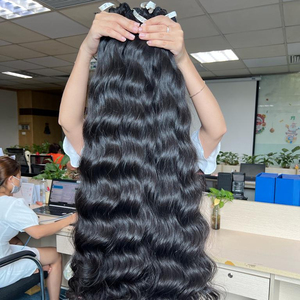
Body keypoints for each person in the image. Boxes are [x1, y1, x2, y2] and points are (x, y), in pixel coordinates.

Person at [59, 2, 226, 299]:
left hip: (109, 282)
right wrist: (183, 60)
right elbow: (216, 129)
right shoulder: (180, 153)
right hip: (170, 281)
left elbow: (68, 121)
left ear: (108, 87)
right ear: (168, 86)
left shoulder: (99, 151)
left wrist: (86, 52)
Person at [0, 156, 77, 300]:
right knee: (55, 255)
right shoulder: (11, 204)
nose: (19, 181)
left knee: (19, 243)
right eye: (19, 177)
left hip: (2, 255)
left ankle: (35, 269)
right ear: (10, 179)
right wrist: (70, 219)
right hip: (2, 268)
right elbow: (37, 233)